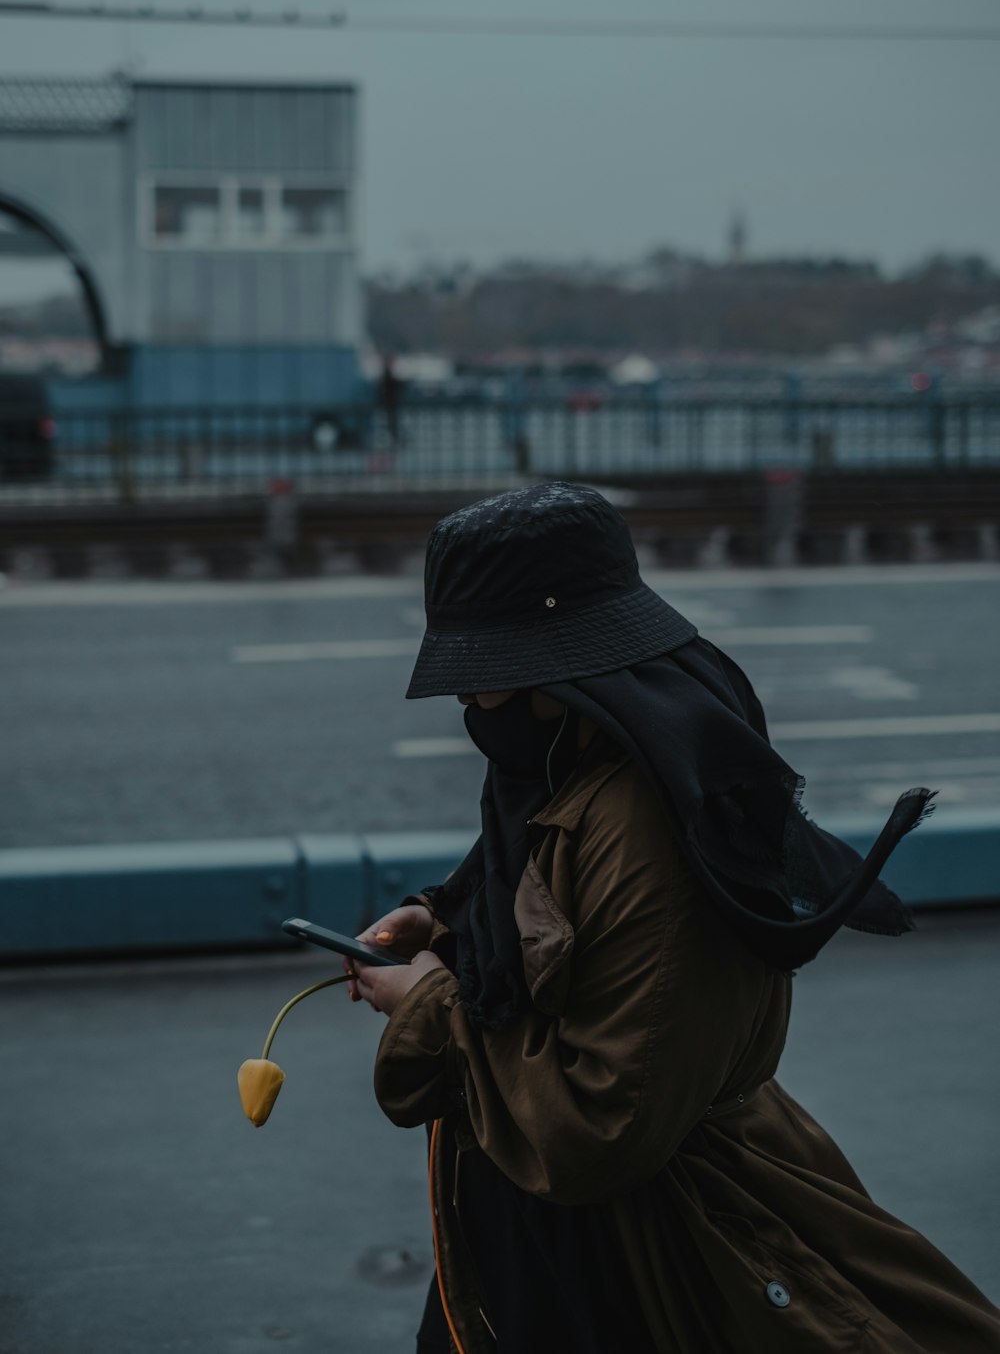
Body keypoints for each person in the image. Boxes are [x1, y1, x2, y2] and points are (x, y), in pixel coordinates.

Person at [345, 482, 1000, 1354]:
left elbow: (601, 1130)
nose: (472, 704)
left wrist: (425, 1002)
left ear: (553, 671)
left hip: (641, 1251)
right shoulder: (576, 759)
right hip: (557, 1230)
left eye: (483, 679)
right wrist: (443, 925)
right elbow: (533, 902)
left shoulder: (640, 822)